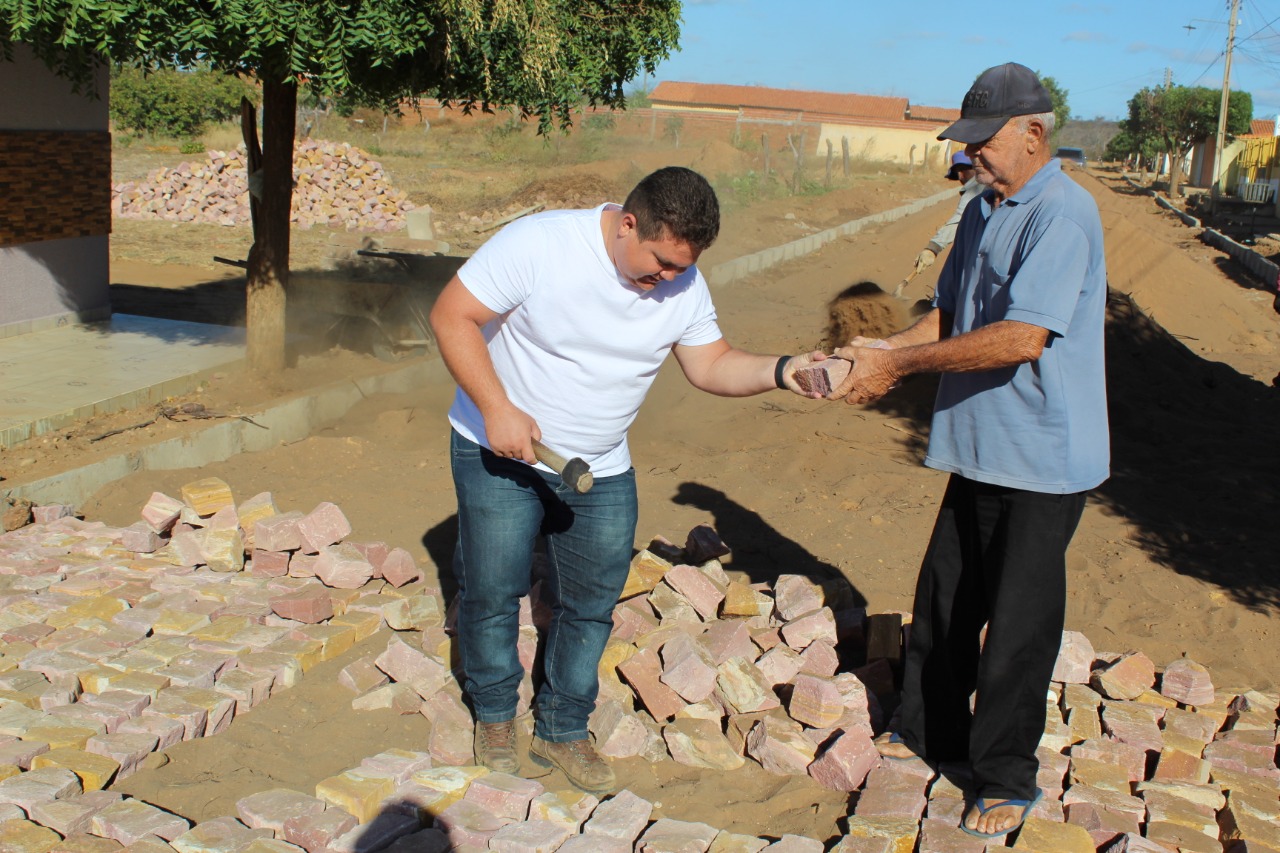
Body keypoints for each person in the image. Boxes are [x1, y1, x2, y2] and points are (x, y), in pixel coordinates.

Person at [428, 166, 822, 794]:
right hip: (499, 452)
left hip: (599, 467)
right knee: (494, 590)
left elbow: (712, 364)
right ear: (628, 223)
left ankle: (562, 727)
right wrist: (496, 406)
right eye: (661, 262)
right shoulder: (541, 244)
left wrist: (784, 369)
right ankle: (497, 714)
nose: (669, 279)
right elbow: (452, 315)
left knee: (590, 604)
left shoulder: (684, 283)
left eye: (681, 268)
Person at [830, 63, 1109, 840]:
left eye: (983, 143)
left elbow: (1022, 337)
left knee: (1018, 624)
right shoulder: (984, 210)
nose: (973, 156)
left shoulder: (1064, 215)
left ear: (1033, 133)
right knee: (946, 601)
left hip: (1045, 458)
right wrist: (882, 350)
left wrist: (902, 365)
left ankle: (1006, 777)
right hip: (981, 447)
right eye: (968, 143)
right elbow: (950, 315)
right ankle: (928, 730)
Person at [912, 151, 983, 275]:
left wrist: (933, 248)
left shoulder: (975, 190)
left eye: (963, 170)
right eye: (957, 172)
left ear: (975, 168)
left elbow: (959, 219)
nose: (960, 176)